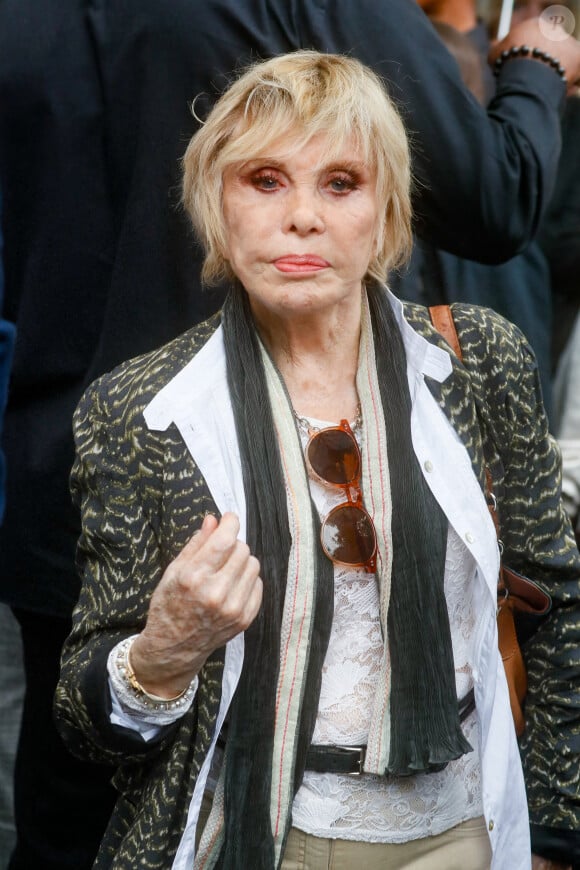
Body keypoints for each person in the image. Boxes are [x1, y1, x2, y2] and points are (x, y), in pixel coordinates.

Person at [3, 1, 580, 866]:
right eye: (265, 181)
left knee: (56, 827)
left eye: (340, 184)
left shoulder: (476, 366)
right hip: (231, 784)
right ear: (215, 205)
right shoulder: (137, 414)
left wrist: (554, 835)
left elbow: (557, 608)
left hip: (459, 816)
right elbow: (495, 192)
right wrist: (161, 654)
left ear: (386, 210)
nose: (302, 216)